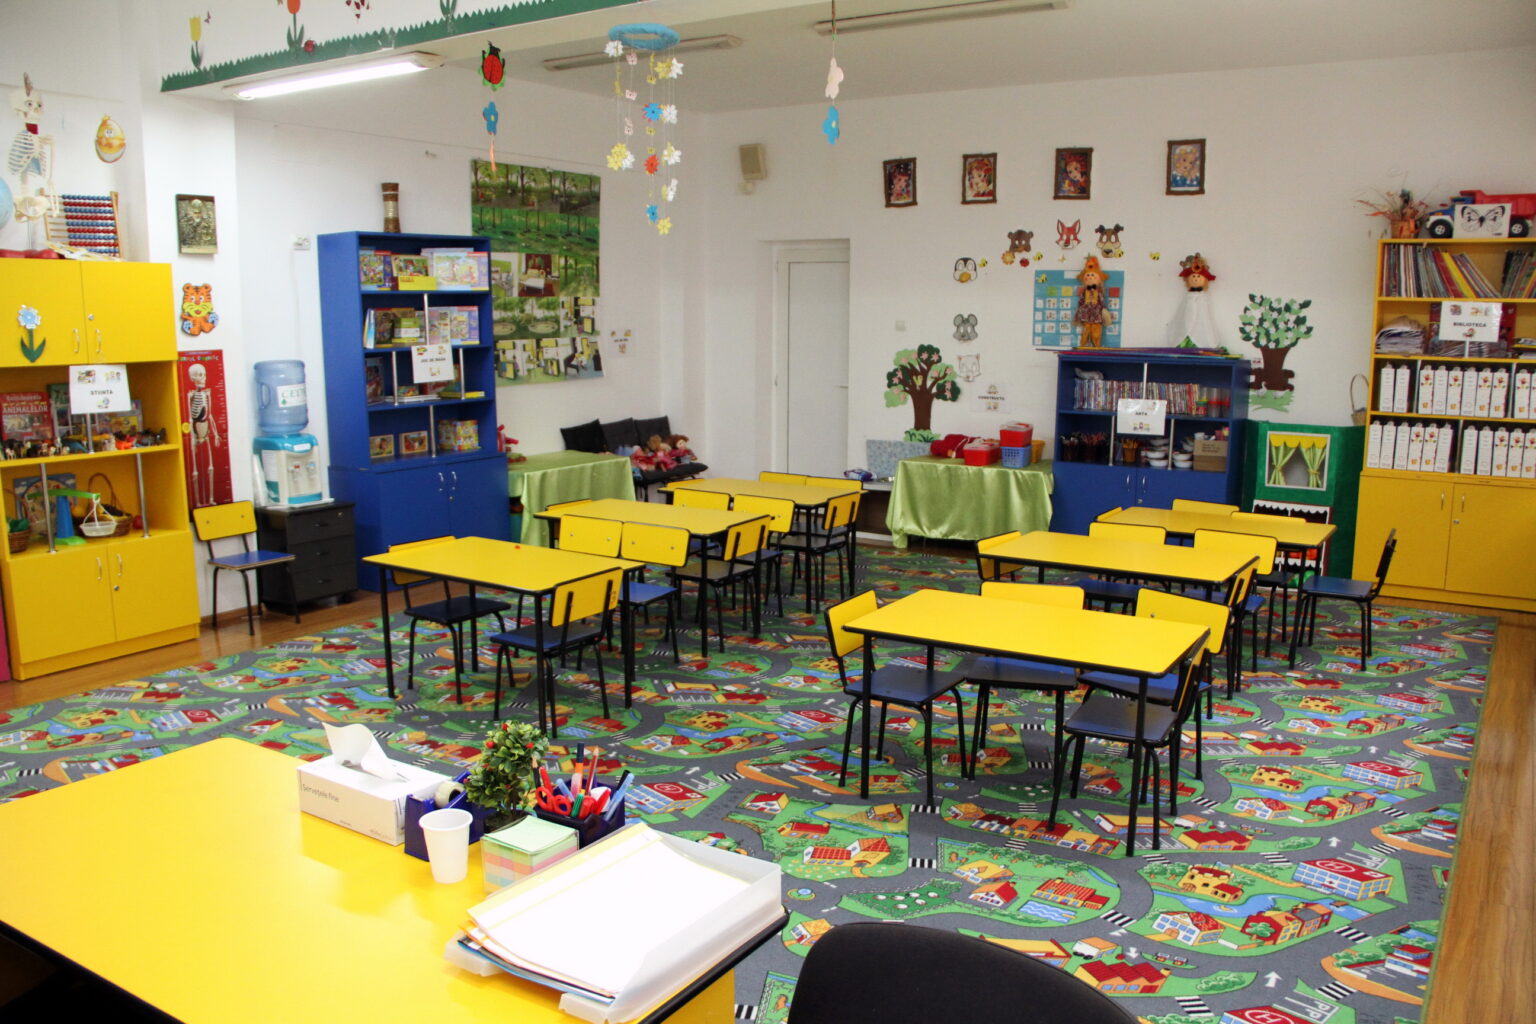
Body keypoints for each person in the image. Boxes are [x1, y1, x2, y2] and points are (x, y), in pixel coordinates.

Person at [185, 362, 221, 506]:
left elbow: (210, 414)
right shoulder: (191, 395)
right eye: (200, 375)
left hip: (205, 428)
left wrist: (216, 434)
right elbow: (190, 417)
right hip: (196, 428)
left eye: (204, 375)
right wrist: (192, 437)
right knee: (195, 471)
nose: (203, 378)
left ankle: (210, 499)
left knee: (211, 467)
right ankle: (198, 502)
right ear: (193, 378)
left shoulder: (207, 394)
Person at [1073, 256, 1112, 348]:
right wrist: (1079, 312)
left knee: (1096, 331)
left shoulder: (1099, 292)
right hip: (1086, 314)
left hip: (1096, 314)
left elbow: (1101, 302)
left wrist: (1104, 311)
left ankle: (1096, 347)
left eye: (1092, 275)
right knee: (1085, 330)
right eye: (1088, 275)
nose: (1090, 277)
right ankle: (1083, 346)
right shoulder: (1084, 292)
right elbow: (1081, 301)